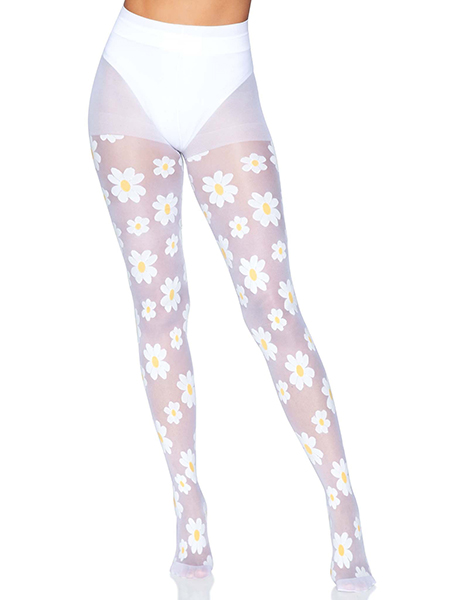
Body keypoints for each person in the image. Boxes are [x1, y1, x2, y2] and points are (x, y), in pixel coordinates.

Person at [88, 0, 376, 592]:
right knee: (159, 309)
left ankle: (343, 505)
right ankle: (188, 506)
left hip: (224, 82)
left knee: (273, 306)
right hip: (129, 77)